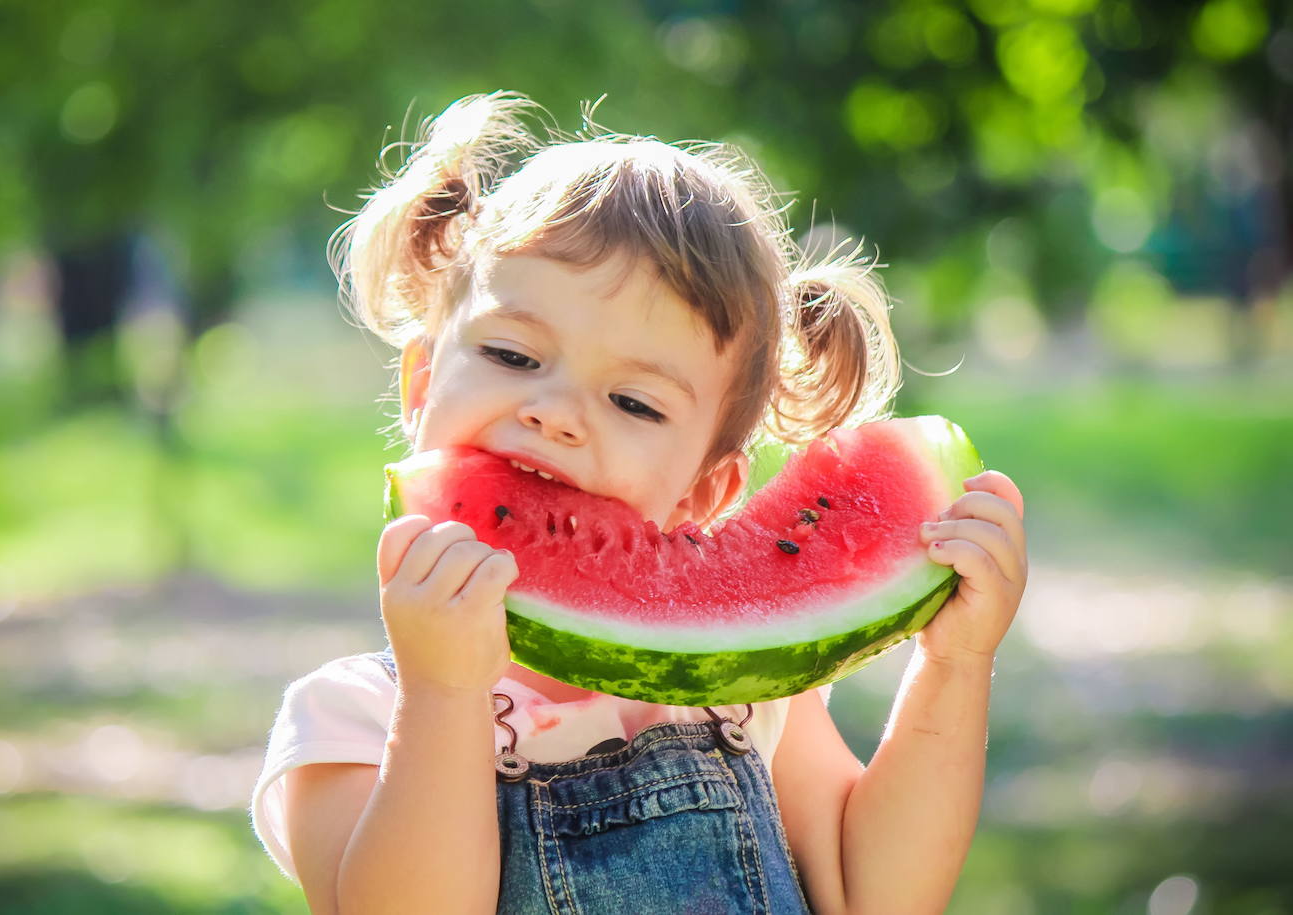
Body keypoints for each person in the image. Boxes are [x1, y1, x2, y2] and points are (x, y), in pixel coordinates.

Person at [251, 92, 1028, 914]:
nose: (556, 412)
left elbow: (878, 896)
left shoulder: (746, 696)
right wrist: (441, 697)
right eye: (514, 354)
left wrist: (954, 665)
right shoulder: (349, 715)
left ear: (706, 491)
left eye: (634, 403)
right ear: (419, 381)